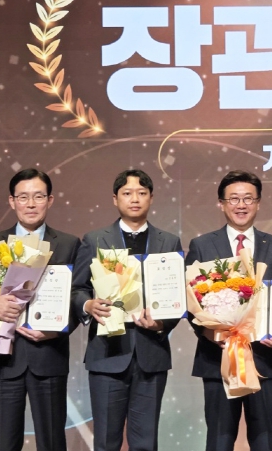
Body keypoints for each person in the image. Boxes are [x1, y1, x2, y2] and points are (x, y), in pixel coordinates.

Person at [0, 168, 80, 451]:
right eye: (23, 197)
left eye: (38, 196)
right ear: (12, 201)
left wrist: (57, 330)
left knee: (52, 443)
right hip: (4, 360)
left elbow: (78, 297)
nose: (30, 204)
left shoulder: (69, 244)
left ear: (50, 200)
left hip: (49, 356)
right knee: (7, 443)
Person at [71, 169, 182, 451]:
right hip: (107, 353)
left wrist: (162, 324)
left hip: (151, 353)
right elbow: (77, 288)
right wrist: (88, 304)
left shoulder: (169, 242)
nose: (135, 199)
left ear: (151, 198)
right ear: (115, 199)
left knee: (146, 442)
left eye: (142, 193)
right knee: (106, 441)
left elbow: (177, 296)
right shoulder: (95, 239)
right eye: (127, 193)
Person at [185, 170, 272, 451]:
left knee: (264, 441)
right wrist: (211, 333)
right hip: (217, 358)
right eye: (233, 199)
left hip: (264, 358)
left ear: (258, 203)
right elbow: (190, 300)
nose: (241, 205)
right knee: (219, 441)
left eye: (248, 199)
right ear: (221, 203)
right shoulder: (202, 245)